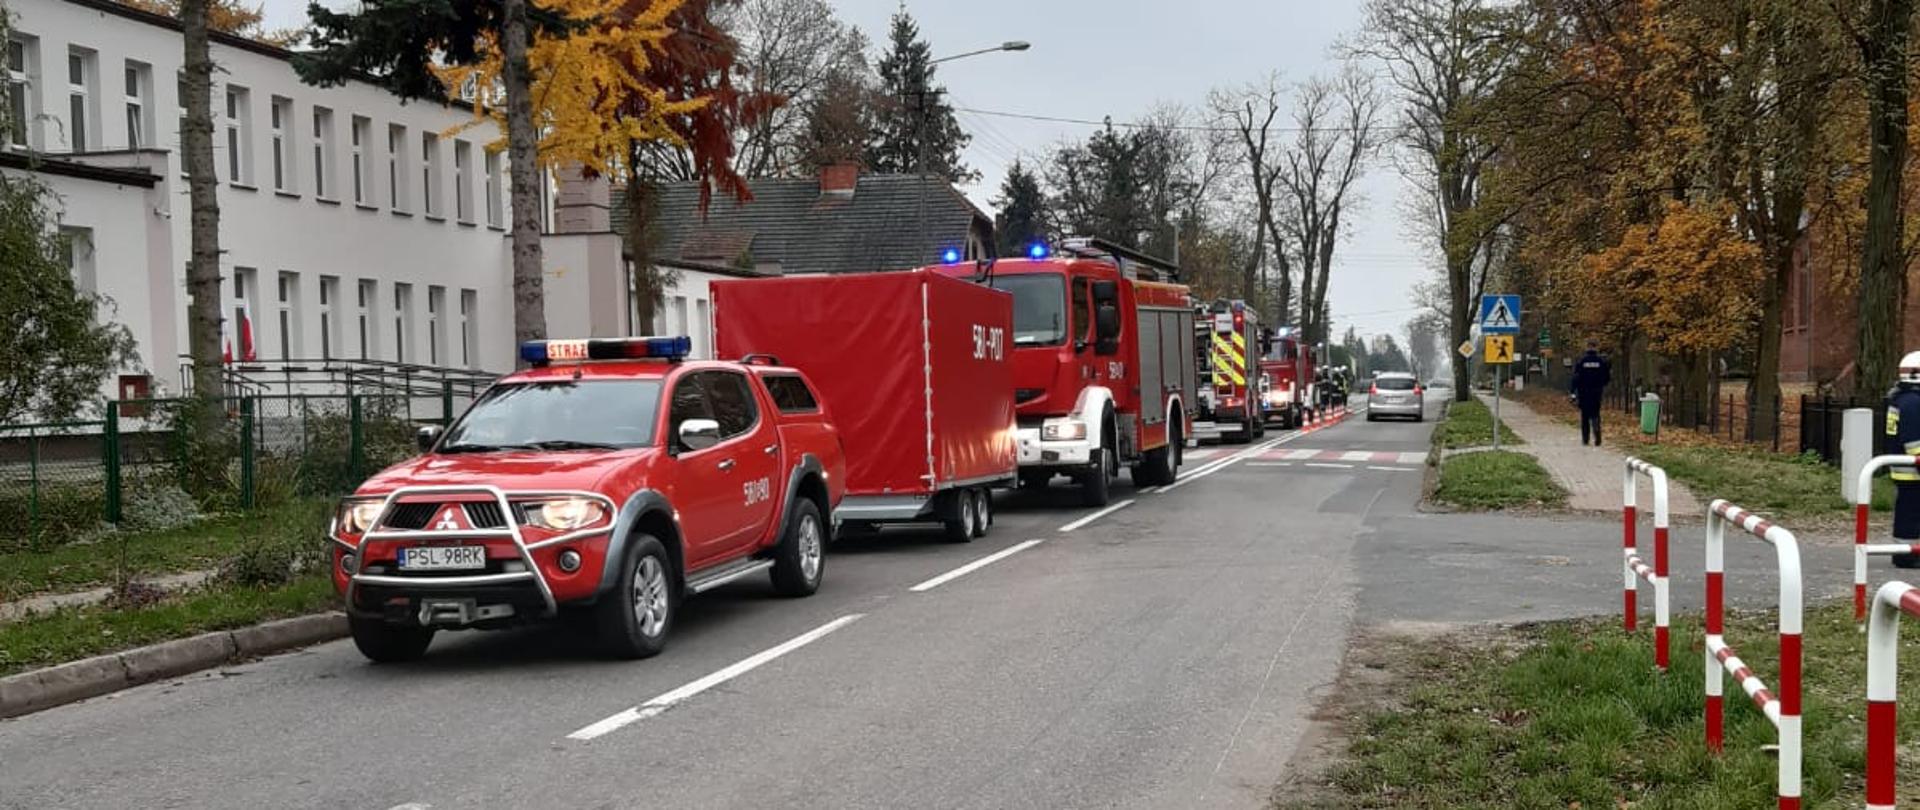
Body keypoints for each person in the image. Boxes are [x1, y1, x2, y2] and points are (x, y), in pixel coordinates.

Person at [1885, 351, 1920, 568]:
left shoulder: (1901, 398)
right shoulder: (1913, 402)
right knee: (1910, 515)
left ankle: (1905, 551)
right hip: (1912, 470)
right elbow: (1914, 441)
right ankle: (1905, 555)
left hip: (1904, 469)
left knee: (1908, 513)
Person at [1569, 341, 1611, 446]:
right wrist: (1601, 385)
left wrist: (1573, 392)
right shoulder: (1601, 362)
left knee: (1585, 416)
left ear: (1587, 348)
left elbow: (1575, 378)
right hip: (1596, 392)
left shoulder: (1582, 362)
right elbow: (1607, 377)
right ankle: (1597, 437)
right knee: (1596, 414)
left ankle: (1585, 438)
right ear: (1596, 348)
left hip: (1584, 393)